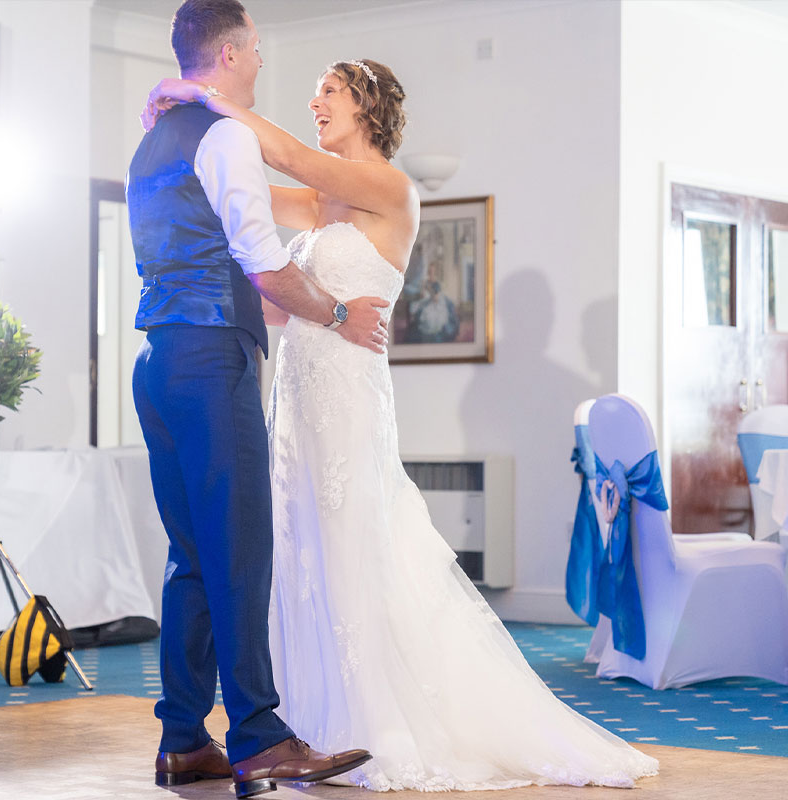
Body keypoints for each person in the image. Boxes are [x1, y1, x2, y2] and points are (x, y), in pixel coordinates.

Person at [142, 55, 661, 791]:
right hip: (296, 398)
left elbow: (279, 154)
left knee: (354, 543)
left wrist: (199, 94)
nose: (315, 103)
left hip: (348, 398)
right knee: (299, 547)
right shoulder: (322, 204)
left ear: (366, 106)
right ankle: (312, 723)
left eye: (329, 93)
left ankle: (377, 723)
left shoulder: (388, 188)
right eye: (315, 94)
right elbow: (251, 210)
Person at [126, 2, 378, 798]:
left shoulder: (150, 140)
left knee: (192, 557)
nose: (262, 62)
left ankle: (182, 740)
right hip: (209, 361)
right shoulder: (222, 134)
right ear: (231, 53)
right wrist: (338, 313)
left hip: (157, 361)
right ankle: (261, 737)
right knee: (239, 553)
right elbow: (263, 265)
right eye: (258, 51)